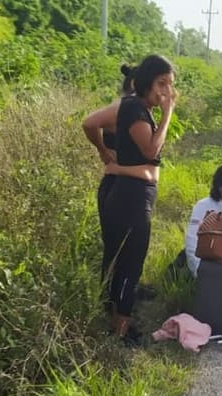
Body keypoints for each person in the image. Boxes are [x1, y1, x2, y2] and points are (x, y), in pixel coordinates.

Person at [101, 55, 178, 341]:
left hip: (127, 194)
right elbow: (151, 151)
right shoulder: (134, 108)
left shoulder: (137, 108)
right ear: (146, 81)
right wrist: (168, 114)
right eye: (161, 83)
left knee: (120, 259)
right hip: (130, 198)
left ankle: (115, 320)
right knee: (129, 262)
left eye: (170, 85)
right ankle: (120, 330)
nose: (166, 91)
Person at [82, 65, 137, 255]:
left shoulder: (130, 106)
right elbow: (89, 123)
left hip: (122, 184)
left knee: (119, 249)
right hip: (119, 185)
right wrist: (102, 150)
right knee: (121, 250)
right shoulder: (123, 107)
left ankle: (114, 284)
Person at [184, 162, 222, 275]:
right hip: (206, 264)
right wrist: (198, 271)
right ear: (221, 187)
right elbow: (192, 241)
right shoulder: (203, 206)